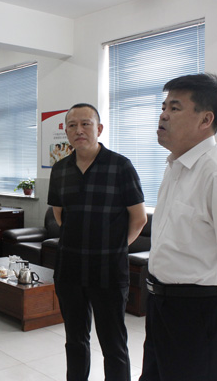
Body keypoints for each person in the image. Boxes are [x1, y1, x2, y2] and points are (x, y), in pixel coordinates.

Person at [140, 74, 217, 381]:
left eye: (175, 108)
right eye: (163, 107)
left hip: (202, 311)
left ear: (206, 119)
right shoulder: (174, 167)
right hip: (162, 303)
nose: (163, 115)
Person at [48, 103, 147, 381]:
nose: (78, 130)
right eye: (72, 125)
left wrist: (114, 249)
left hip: (109, 271)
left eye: (86, 124)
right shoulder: (60, 169)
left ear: (99, 128)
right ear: (66, 131)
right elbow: (59, 215)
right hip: (70, 268)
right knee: (75, 340)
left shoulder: (121, 166)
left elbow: (138, 218)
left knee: (113, 344)